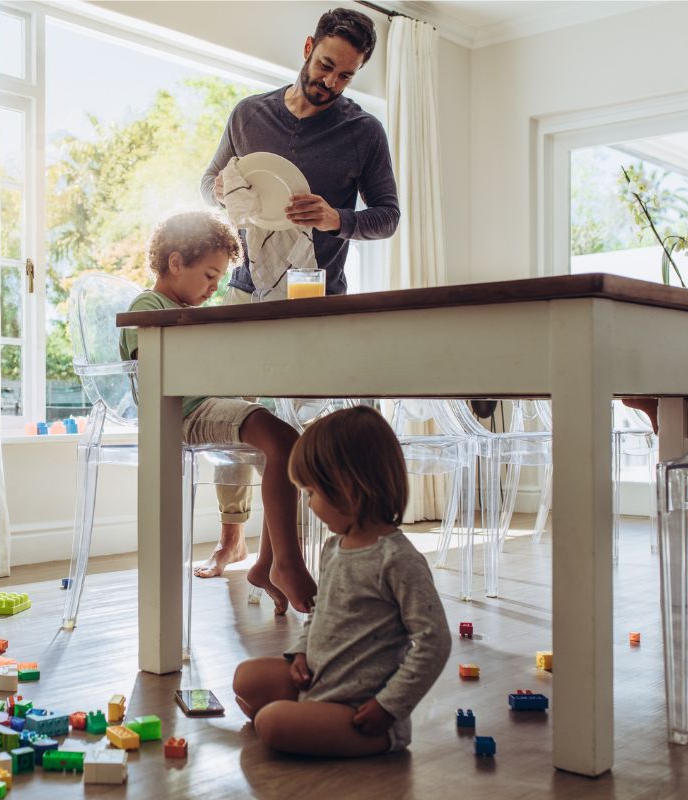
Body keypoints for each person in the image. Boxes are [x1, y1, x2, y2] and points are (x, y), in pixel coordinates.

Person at [196, 7, 401, 580]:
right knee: (235, 413)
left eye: (346, 76)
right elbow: (207, 182)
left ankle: (303, 550)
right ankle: (232, 539)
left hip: (316, 295)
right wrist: (220, 189)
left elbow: (387, 217)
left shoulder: (363, 132)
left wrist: (338, 217)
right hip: (244, 288)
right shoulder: (248, 115)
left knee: (308, 424)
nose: (331, 83)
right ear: (309, 46)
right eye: (327, 66)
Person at [120, 210, 316, 614]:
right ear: (176, 263)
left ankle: (266, 564)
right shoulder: (149, 304)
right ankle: (286, 563)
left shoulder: (189, 310)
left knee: (288, 452)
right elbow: (162, 371)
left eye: (219, 278)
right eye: (209, 275)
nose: (215, 286)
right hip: (185, 413)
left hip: (213, 404)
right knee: (283, 441)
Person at [233, 407, 450, 757]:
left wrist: (389, 707)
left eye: (310, 493)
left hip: (361, 712)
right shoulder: (334, 547)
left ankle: (305, 721)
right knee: (247, 678)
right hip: (320, 681)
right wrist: (301, 652)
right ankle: (304, 714)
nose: (308, 504)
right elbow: (320, 611)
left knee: (271, 722)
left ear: (348, 487)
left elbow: (434, 641)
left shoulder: (398, 560)